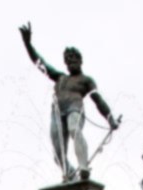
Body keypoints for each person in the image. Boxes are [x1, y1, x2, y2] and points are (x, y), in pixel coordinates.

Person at [19, 22, 120, 181]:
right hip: (58, 112)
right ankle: (71, 176)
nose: (71, 62)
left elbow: (98, 100)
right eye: (68, 60)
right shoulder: (59, 77)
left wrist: (110, 118)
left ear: (81, 61)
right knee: (58, 154)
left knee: (74, 129)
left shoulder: (86, 80)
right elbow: (40, 63)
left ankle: (84, 167)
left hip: (75, 107)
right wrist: (28, 44)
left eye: (74, 59)